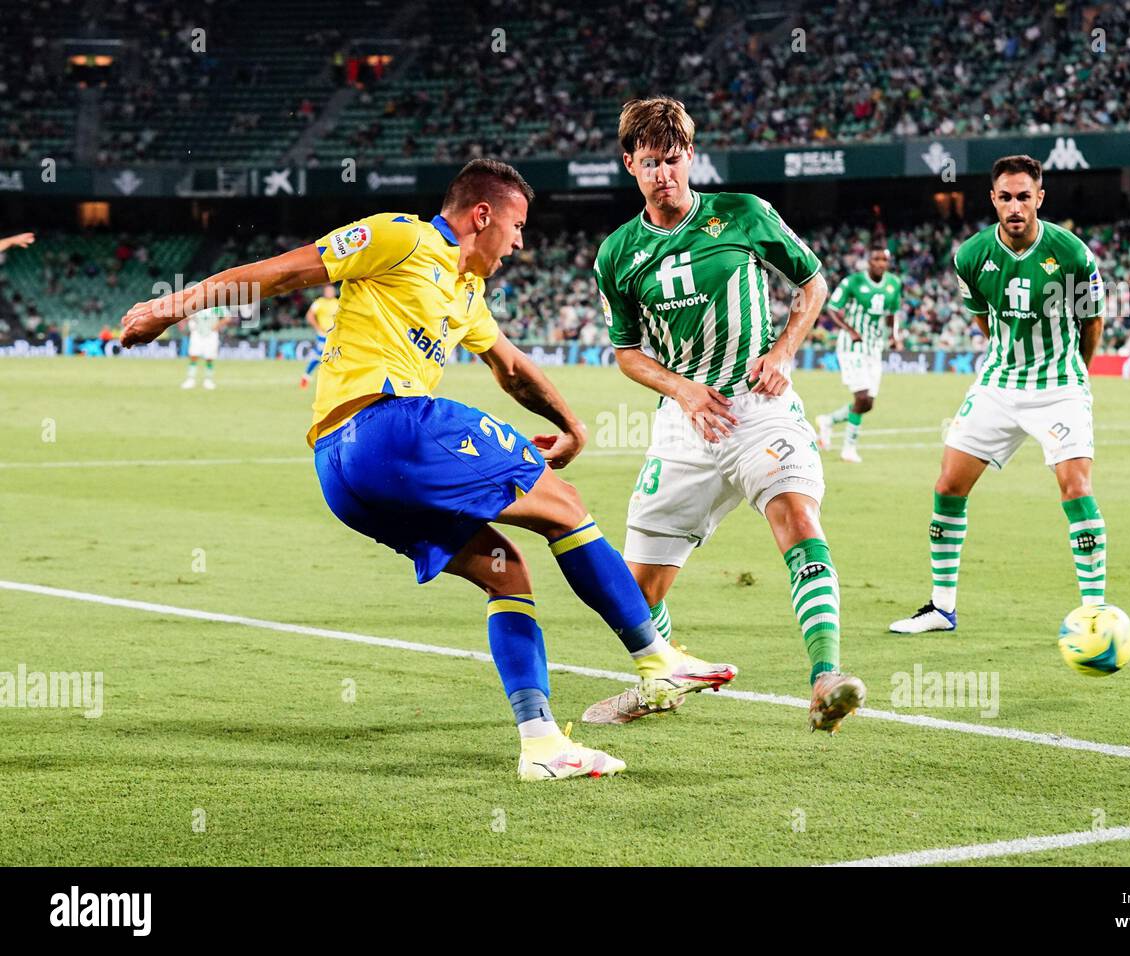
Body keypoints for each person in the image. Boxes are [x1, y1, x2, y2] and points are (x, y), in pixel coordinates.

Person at [119, 158, 730, 781]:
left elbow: (511, 368)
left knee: (507, 572)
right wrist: (176, 305)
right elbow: (282, 273)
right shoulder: (401, 236)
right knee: (564, 505)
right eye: (516, 225)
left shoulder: (466, 293)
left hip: (344, 479)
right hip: (387, 424)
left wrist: (572, 426)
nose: (520, 242)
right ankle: (657, 658)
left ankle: (543, 747)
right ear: (482, 215)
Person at [585, 98, 865, 733]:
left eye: (674, 159)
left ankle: (825, 678)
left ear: (691, 157)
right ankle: (661, 682)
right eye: (650, 161)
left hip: (759, 410)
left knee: (796, 515)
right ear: (630, 164)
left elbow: (813, 283)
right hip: (686, 422)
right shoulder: (618, 255)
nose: (664, 173)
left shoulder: (742, 214)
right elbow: (627, 352)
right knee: (638, 592)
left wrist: (783, 351)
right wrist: (682, 390)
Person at [890, 155, 1109, 633]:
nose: (1015, 206)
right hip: (999, 383)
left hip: (1059, 386)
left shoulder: (1072, 253)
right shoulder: (970, 256)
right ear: (993, 198)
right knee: (949, 485)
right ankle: (942, 607)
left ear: (1039, 199)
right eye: (1006, 197)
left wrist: (1078, 374)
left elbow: (1092, 321)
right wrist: (1005, 360)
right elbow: (983, 319)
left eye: (1024, 197)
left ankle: (1095, 614)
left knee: (1075, 487)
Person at [815, 244, 904, 462]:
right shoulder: (853, 282)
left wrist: (894, 336)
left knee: (867, 404)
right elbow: (833, 308)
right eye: (876, 259)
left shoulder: (893, 284)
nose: (881, 264)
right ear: (869, 261)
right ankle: (848, 448)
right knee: (861, 397)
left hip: (874, 347)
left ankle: (828, 421)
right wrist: (850, 330)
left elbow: (892, 313)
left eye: (884, 260)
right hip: (851, 347)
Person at [300, 283, 338, 388]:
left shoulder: (337, 303)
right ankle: (306, 376)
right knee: (319, 357)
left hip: (335, 335)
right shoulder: (319, 303)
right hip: (323, 335)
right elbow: (309, 316)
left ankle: (332, 381)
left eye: (332, 291)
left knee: (336, 358)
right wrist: (318, 328)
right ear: (325, 292)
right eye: (328, 291)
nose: (330, 293)